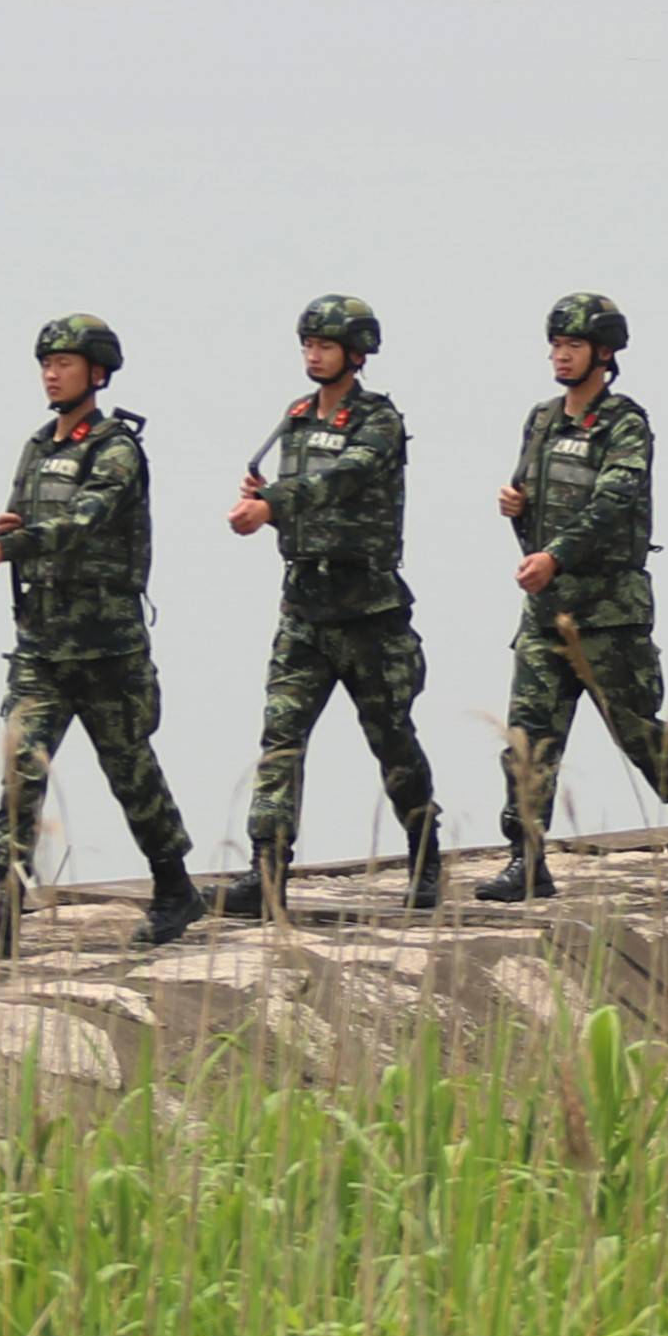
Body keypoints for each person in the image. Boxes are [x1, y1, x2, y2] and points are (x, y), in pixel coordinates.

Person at [0, 314, 203, 955]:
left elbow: (83, 521)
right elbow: (30, 521)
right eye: (46, 362)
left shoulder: (115, 447)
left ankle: (175, 889)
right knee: (19, 770)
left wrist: (7, 546)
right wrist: (14, 531)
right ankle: (5, 907)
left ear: (98, 373)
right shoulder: (38, 448)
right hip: (43, 645)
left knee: (130, 770)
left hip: (107, 645)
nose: (52, 373)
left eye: (65, 362)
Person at [482, 292, 668, 901]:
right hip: (545, 610)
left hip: (609, 614)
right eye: (556, 345)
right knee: (527, 739)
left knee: (636, 730)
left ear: (605, 353)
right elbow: (537, 510)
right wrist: (518, 508)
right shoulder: (541, 420)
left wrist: (555, 554)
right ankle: (527, 858)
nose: (561, 357)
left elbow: (613, 506)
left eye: (574, 346)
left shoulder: (625, 424)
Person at [215, 293, 440, 919]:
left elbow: (341, 480)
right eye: (308, 344)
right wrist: (268, 510)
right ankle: (267, 870)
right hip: (305, 608)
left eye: (326, 345)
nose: (314, 354)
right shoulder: (294, 417)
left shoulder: (378, 422)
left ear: (356, 353)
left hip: (369, 611)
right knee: (280, 741)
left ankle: (425, 855)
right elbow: (302, 500)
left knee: (391, 738)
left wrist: (275, 503)